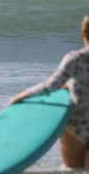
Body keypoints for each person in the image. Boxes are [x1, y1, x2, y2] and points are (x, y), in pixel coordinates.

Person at [9, 13, 89, 169]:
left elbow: (52, 85)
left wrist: (24, 94)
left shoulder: (76, 58)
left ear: (84, 33)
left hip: (77, 125)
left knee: (73, 170)